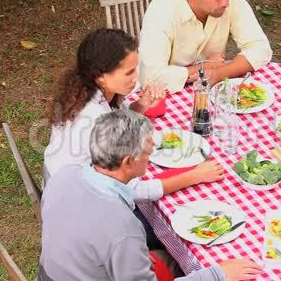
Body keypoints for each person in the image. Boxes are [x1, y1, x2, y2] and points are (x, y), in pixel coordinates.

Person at [43, 29, 224, 248]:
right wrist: (194, 176)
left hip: (77, 193)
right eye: (129, 73)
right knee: (179, 230)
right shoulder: (91, 119)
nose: (136, 77)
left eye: (135, 69)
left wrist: (143, 104)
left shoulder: (98, 92)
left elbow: (121, 122)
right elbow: (133, 190)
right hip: (80, 216)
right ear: (101, 75)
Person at [39, 110, 263, 280]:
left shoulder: (65, 175)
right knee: (190, 263)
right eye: (147, 151)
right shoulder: (123, 227)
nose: (150, 155)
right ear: (128, 161)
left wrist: (126, 257)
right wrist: (217, 274)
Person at [138, 0, 272, 94]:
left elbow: (261, 49)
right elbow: (151, 78)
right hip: (164, 95)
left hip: (210, 89)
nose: (226, 3)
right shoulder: (162, 11)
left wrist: (219, 73)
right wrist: (202, 68)